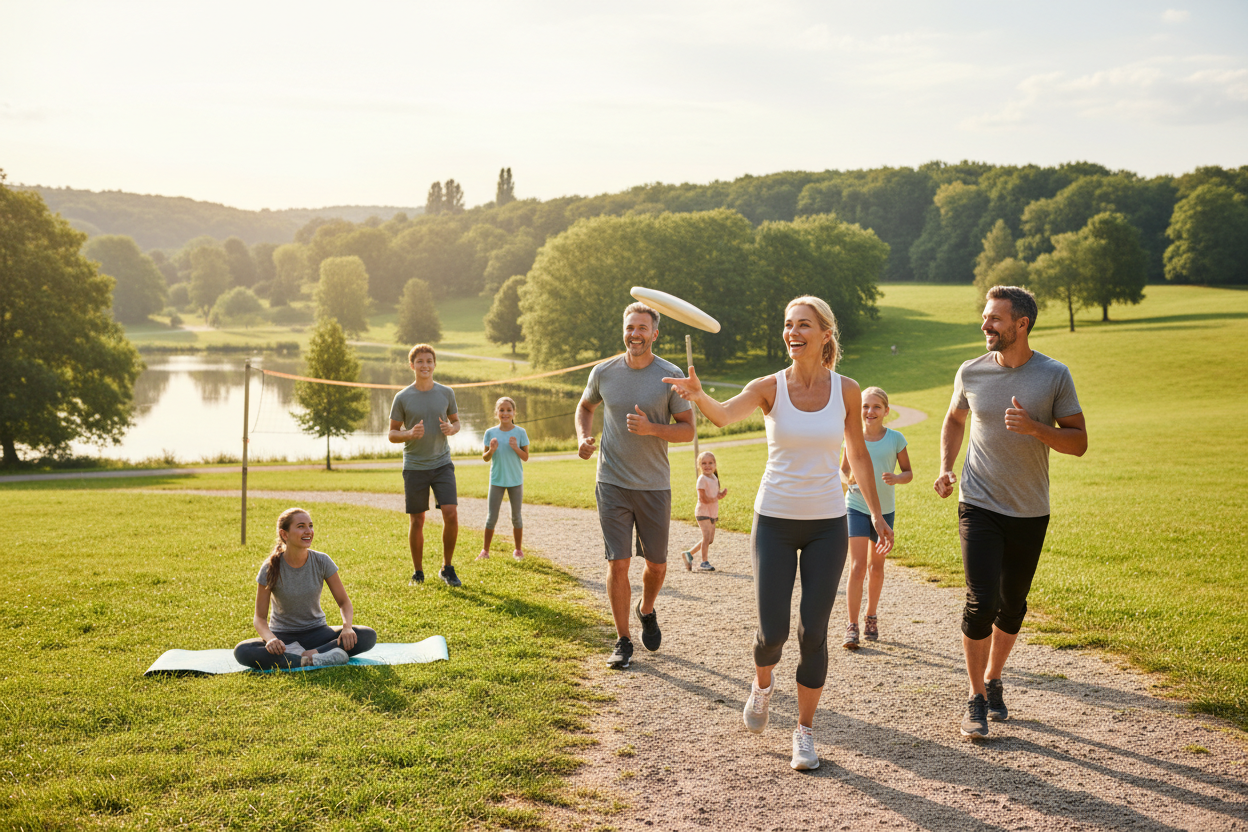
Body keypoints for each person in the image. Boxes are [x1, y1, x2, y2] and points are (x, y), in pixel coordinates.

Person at [664, 295, 894, 771]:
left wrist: (874, 513)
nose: (793, 332)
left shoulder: (847, 391)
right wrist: (698, 395)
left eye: (804, 325)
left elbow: (859, 456)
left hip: (828, 522)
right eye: (788, 324)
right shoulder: (769, 386)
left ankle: (805, 732)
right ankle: (762, 684)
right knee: (772, 633)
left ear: (825, 334)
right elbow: (725, 415)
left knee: (813, 633)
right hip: (774, 520)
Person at [934, 285, 1086, 739]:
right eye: (985, 317)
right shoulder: (971, 372)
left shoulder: (1054, 375)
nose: (985, 326)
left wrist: (1036, 428)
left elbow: (1078, 442)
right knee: (980, 602)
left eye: (995, 319)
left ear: (1021, 324)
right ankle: (975, 697)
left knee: (1012, 605)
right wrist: (945, 467)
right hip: (977, 502)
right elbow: (955, 418)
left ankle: (994, 678)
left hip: (1029, 509)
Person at [577, 302, 695, 670]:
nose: (635, 334)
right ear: (623, 330)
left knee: (657, 566)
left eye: (642, 328)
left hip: (653, 485)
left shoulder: (669, 375)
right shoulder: (604, 372)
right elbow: (585, 406)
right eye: (630, 328)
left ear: (654, 333)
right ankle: (623, 639)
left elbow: (689, 429)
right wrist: (583, 436)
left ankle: (646, 609)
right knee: (619, 562)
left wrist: (652, 428)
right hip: (611, 481)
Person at [234, 507, 378, 670]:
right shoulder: (270, 567)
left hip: (318, 633)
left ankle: (306, 656)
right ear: (284, 534)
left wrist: (347, 627)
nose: (308, 531)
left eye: (310, 525)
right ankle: (311, 659)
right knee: (242, 650)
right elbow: (259, 618)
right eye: (301, 526)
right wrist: (270, 639)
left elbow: (344, 602)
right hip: (283, 639)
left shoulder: (322, 561)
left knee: (366, 635)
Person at [840, 386, 912, 649]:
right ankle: (852, 625)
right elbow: (843, 471)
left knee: (876, 567)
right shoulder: (851, 437)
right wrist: (848, 482)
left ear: (886, 411)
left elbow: (909, 473)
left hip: (886, 511)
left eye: (876, 407)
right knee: (857, 567)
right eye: (865, 406)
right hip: (856, 507)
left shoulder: (895, 438)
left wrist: (897, 478)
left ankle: (871, 616)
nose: (870, 411)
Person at [388, 344, 462, 587]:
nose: (425, 365)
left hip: (442, 464)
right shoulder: (402, 397)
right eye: (420, 361)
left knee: (450, 513)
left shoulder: (446, 392)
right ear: (412, 365)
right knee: (417, 520)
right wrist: (409, 434)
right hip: (415, 466)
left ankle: (447, 568)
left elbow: (456, 423)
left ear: (434, 364)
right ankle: (418, 572)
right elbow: (392, 434)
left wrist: (452, 429)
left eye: (429, 361)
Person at [477, 396, 529, 561]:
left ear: (514, 412)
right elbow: (485, 458)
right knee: (491, 516)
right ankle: (485, 551)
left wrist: (515, 447)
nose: (505, 413)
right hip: (496, 480)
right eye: (502, 410)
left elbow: (526, 457)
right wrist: (491, 451)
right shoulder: (490, 433)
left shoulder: (520, 432)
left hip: (515, 481)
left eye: (508, 410)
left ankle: (518, 550)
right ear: (496, 413)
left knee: (516, 516)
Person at [680, 451, 727, 572]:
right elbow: (703, 498)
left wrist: (720, 495)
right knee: (706, 537)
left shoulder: (714, 478)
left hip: (712, 512)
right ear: (699, 466)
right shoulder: (701, 479)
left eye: (710, 463)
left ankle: (688, 554)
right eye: (704, 463)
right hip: (702, 512)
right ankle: (704, 562)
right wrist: (715, 498)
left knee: (710, 539)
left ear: (715, 464)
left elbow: (714, 495)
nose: (707, 465)